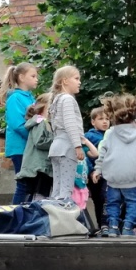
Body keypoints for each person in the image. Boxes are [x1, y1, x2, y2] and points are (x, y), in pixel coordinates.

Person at [91, 93, 136, 238]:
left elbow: (102, 152)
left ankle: (112, 227)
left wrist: (97, 169)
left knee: (112, 203)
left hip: (113, 177)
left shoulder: (110, 133)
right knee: (133, 204)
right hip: (131, 177)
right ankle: (127, 228)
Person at [0, 63, 39, 204]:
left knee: (32, 186)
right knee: (23, 184)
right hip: (20, 148)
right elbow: (18, 124)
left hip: (30, 148)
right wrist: (36, 138)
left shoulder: (31, 98)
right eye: (33, 76)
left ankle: (25, 218)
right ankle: (14, 218)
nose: (36, 79)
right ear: (21, 77)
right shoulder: (15, 98)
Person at [48, 66, 88, 201]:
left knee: (56, 190)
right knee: (66, 190)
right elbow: (70, 124)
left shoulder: (56, 100)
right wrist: (78, 146)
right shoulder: (68, 99)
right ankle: (64, 219)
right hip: (67, 148)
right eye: (76, 79)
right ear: (65, 81)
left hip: (56, 147)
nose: (79, 82)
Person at [17, 93, 54, 202]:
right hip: (39, 168)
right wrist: (57, 141)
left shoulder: (45, 123)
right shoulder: (41, 122)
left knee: (41, 195)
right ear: (43, 108)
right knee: (38, 197)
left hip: (42, 168)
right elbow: (40, 141)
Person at [84, 107, 110, 235]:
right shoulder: (89, 136)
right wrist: (90, 171)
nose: (105, 122)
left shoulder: (111, 134)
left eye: (107, 119)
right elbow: (85, 155)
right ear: (93, 122)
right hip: (94, 174)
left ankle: (106, 224)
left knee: (106, 198)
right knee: (97, 200)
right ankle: (100, 225)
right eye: (101, 119)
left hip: (109, 173)